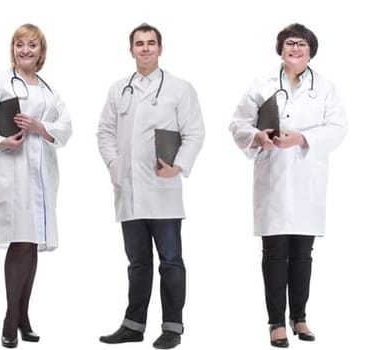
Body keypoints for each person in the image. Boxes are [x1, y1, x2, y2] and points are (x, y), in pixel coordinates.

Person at [226, 23, 346, 349]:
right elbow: (238, 123)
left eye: (302, 44)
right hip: (273, 178)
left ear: (311, 51)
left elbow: (337, 128)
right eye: (290, 43)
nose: (295, 48)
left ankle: (301, 316)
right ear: (280, 49)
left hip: (308, 181)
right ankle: (276, 322)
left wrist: (303, 138)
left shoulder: (326, 88)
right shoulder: (261, 84)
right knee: (275, 252)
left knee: (303, 253)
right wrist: (257, 137)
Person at [94, 23, 204, 350]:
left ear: (160, 48)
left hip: (163, 190)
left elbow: (195, 133)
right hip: (128, 192)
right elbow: (104, 134)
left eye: (151, 43)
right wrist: (116, 168)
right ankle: (133, 325)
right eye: (139, 44)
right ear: (131, 50)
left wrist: (179, 167)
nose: (145, 48)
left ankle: (172, 326)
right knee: (137, 263)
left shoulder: (179, 89)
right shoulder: (119, 89)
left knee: (170, 260)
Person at [0, 23, 73, 349]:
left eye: (32, 45)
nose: (25, 50)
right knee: (21, 242)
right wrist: (1, 142)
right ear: (13, 49)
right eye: (20, 45)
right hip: (12, 172)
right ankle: (10, 320)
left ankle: (23, 316)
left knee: (32, 243)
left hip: (41, 175)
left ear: (42, 51)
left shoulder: (48, 89)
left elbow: (66, 127)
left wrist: (41, 126)